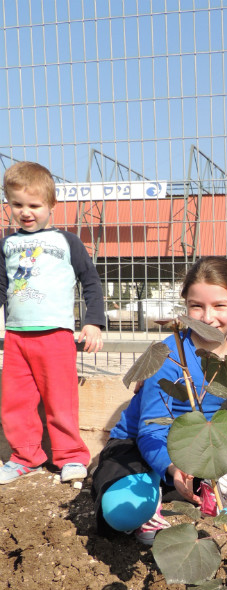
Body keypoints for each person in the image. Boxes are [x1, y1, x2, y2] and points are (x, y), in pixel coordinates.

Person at [92, 256, 227, 545]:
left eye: (220, 305)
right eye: (196, 306)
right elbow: (150, 430)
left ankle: (220, 491)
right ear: (185, 306)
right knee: (121, 515)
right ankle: (160, 492)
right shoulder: (168, 356)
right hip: (144, 446)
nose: (207, 317)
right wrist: (174, 469)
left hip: (199, 444)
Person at [0, 161, 105, 485]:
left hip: (56, 336)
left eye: (34, 205)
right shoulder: (6, 244)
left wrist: (93, 322)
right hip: (17, 337)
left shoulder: (67, 242)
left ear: (51, 205)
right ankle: (25, 456)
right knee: (14, 402)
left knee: (60, 401)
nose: (26, 212)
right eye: (17, 204)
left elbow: (90, 282)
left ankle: (71, 456)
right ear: (8, 204)